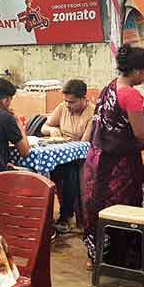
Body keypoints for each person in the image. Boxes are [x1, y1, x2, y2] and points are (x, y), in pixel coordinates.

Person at [82, 44, 144, 270]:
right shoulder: (131, 95)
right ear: (136, 71)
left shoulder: (110, 88)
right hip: (119, 164)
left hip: (97, 158)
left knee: (97, 204)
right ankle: (119, 258)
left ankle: (96, 255)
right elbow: (142, 134)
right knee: (122, 207)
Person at [41, 79, 95, 234]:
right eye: (65, 101)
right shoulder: (63, 107)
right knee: (43, 171)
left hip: (80, 158)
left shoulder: (92, 113)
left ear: (84, 98)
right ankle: (45, 217)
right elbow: (45, 126)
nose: (68, 105)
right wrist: (52, 131)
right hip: (60, 153)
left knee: (69, 171)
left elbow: (83, 145)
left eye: (72, 102)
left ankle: (66, 216)